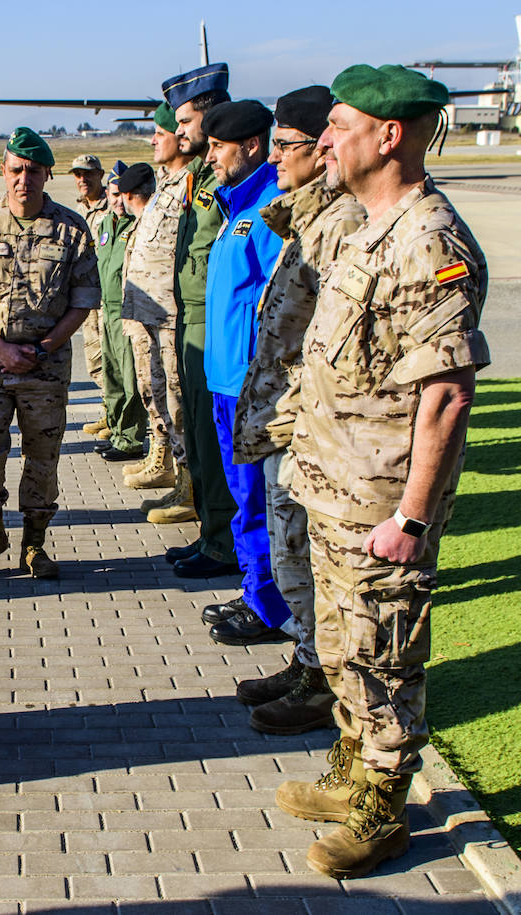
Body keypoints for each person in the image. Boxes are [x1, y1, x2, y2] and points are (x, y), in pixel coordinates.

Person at [273, 64, 489, 879]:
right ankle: (354, 768)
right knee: (342, 646)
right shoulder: (368, 223)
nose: (325, 139)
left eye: (339, 125)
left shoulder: (431, 240)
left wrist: (412, 518)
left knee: (385, 653)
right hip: (331, 490)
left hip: (380, 503)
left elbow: (444, 394)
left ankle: (386, 807)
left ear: (389, 136)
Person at [229, 86, 366, 735]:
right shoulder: (305, 216)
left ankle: (324, 682)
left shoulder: (340, 224)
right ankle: (309, 662)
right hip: (285, 421)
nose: (275, 156)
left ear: (323, 149)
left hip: (310, 428)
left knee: (308, 559)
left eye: (286, 145)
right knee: (291, 557)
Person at [0, 127, 101, 580]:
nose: (24, 179)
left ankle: (33, 545)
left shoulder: (70, 229)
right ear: (4, 172)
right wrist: (0, 347)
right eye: (16, 170)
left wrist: (43, 347)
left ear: (47, 175)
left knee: (43, 458)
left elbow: (84, 299)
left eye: (34, 171)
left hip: (46, 366)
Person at [196, 99, 294, 650]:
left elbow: (279, 302)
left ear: (251, 146)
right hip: (225, 380)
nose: (208, 157)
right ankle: (256, 588)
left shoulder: (270, 208)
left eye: (217, 147)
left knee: (258, 498)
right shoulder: (236, 206)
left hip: (250, 384)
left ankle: (268, 607)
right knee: (243, 496)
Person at [163, 63, 241, 578]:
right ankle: (210, 532)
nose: (179, 132)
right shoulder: (200, 176)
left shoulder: (224, 178)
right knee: (197, 431)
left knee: (215, 442)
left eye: (186, 120)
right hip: (192, 317)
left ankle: (224, 545)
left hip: (212, 321)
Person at [122, 101, 195, 520]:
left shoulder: (189, 185)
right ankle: (170, 467)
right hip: (151, 317)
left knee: (179, 403)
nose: (153, 139)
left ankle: (189, 488)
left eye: (161, 131)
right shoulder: (168, 185)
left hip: (171, 317)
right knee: (160, 397)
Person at [92, 160, 147, 461]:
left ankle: (131, 439)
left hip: (129, 311)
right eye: (113, 195)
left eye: (123, 194)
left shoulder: (137, 224)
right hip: (106, 310)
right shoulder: (104, 225)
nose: (118, 201)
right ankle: (115, 431)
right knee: (111, 375)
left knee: (130, 379)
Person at [70, 153, 110, 406]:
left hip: (108, 295)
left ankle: (118, 417)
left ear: (100, 175)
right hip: (87, 296)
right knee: (94, 358)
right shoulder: (78, 211)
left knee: (113, 359)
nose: (83, 179)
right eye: (78, 174)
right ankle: (109, 410)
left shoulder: (113, 206)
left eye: (88, 173)